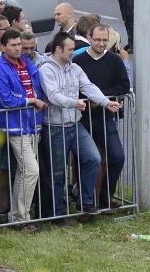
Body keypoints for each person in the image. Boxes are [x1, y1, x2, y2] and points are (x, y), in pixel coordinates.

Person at [38, 32, 119, 220]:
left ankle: (85, 201)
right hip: (55, 127)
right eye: (71, 49)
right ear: (59, 49)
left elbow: (88, 87)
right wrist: (74, 103)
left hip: (75, 124)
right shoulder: (46, 70)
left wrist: (106, 102)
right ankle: (55, 213)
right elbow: (53, 95)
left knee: (93, 158)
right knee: (57, 173)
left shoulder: (75, 68)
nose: (74, 52)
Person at [0, 28, 46, 232]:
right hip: (14, 127)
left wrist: (37, 118)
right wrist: (31, 101)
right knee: (31, 170)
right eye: (13, 45)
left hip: (32, 124)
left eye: (19, 44)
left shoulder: (26, 64)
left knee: (24, 172)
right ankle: (22, 217)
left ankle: (17, 216)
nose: (18, 48)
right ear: (3, 47)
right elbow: (5, 100)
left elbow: (35, 88)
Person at [73, 24, 131, 208]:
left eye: (105, 40)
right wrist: (90, 99)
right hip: (82, 118)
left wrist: (101, 97)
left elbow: (123, 85)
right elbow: (74, 87)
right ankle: (84, 198)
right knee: (88, 159)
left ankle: (106, 195)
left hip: (105, 118)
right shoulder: (78, 60)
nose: (101, 43)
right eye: (97, 39)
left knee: (117, 156)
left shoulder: (114, 60)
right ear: (89, 38)